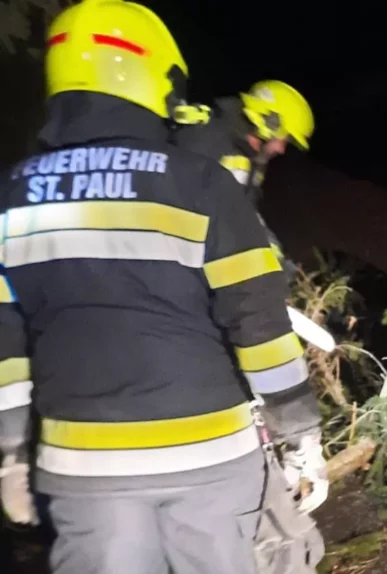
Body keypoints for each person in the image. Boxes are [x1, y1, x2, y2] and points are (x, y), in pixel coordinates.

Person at [0, 1, 326, 572]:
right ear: (156, 76)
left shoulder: (11, 196)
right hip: (210, 459)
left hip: (83, 466)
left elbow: (5, 342)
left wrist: (10, 452)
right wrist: (300, 436)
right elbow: (258, 321)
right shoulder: (200, 180)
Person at [172, 79, 315, 281]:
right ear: (269, 123)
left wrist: (276, 259)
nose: (282, 149)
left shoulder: (249, 157)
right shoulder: (206, 140)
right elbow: (215, 220)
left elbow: (244, 211)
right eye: (284, 140)